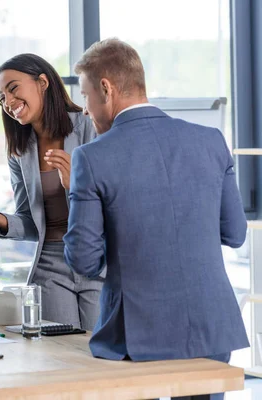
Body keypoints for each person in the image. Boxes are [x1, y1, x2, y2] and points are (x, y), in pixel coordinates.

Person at [64, 38, 248, 383]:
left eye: (86, 96)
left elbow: (84, 261)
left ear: (106, 89)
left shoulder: (91, 157)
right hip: (211, 324)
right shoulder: (210, 140)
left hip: (136, 331)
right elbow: (235, 235)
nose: (85, 110)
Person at [0, 53, 104, 330]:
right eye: (2, 98)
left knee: (100, 355)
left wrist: (76, 186)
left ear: (42, 82)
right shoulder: (19, 151)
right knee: (58, 355)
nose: (9, 102)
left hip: (97, 259)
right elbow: (31, 222)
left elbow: (116, 202)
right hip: (50, 265)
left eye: (13, 89)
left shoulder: (88, 125)